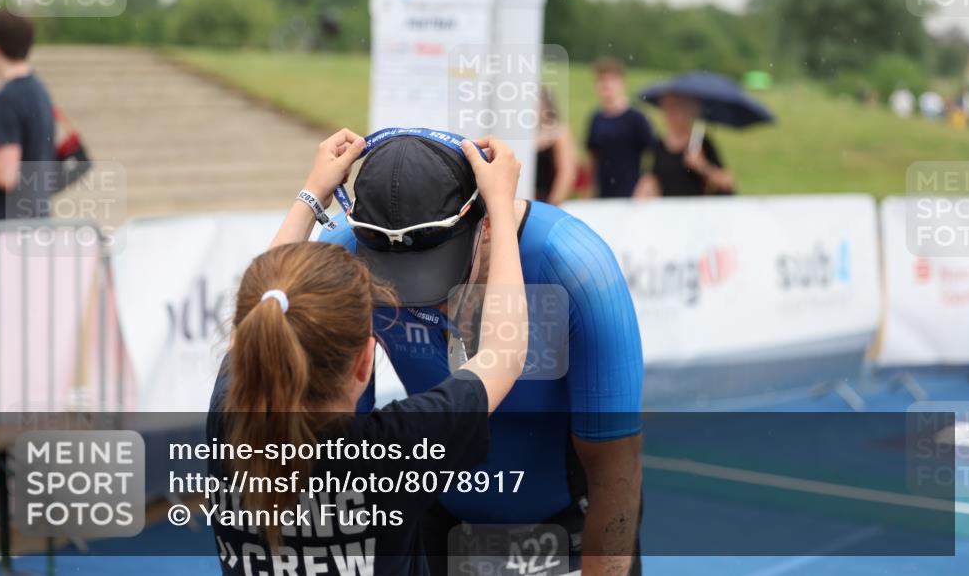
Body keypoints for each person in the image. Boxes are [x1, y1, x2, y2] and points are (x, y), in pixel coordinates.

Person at [316, 128, 644, 575]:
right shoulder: (342, 259)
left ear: (486, 224)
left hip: (570, 524)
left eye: (434, 274)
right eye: (394, 280)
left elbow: (615, 468)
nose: (422, 301)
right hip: (440, 520)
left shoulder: (572, 265)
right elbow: (339, 450)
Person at [207, 129, 528, 575]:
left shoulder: (232, 426)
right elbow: (503, 352)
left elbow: (264, 308)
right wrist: (500, 212)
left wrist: (311, 193)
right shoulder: (390, 453)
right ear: (364, 362)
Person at [0, 10, 55, 220]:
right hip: (37, 220)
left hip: (9, 231)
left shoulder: (7, 98)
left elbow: (5, 174)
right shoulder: (39, 90)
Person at [637, 93, 734, 197]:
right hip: (668, 210)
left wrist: (703, 166)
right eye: (667, 109)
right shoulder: (659, 146)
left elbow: (727, 182)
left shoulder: (702, 144)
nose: (671, 115)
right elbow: (651, 181)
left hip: (696, 209)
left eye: (676, 108)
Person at [586, 58, 655, 198]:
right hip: (603, 194)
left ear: (622, 83)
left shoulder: (637, 118)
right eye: (601, 81)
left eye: (610, 80)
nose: (606, 85)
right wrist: (591, 188)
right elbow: (593, 157)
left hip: (632, 193)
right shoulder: (596, 119)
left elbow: (655, 154)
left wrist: (646, 184)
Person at [535, 87, 577, 205]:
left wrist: (553, 204)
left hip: (548, 202)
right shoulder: (522, 135)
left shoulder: (559, 133)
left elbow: (566, 173)